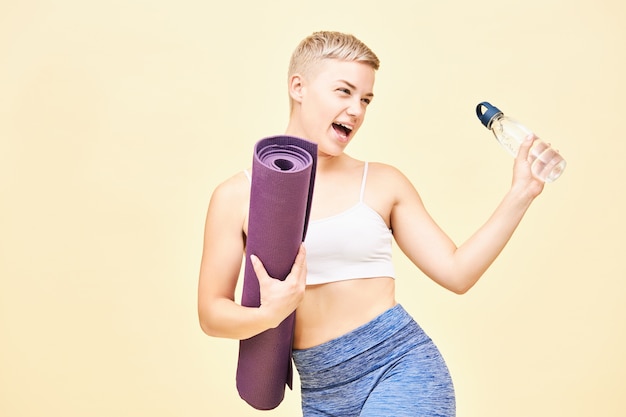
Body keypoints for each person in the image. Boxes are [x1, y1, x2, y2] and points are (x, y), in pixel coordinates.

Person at [197, 31, 545, 417]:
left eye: (365, 99)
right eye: (343, 92)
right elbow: (211, 314)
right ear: (298, 87)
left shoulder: (382, 183)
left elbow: (457, 272)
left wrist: (522, 192)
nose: (357, 110)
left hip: (399, 369)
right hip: (320, 391)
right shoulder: (236, 196)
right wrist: (268, 315)